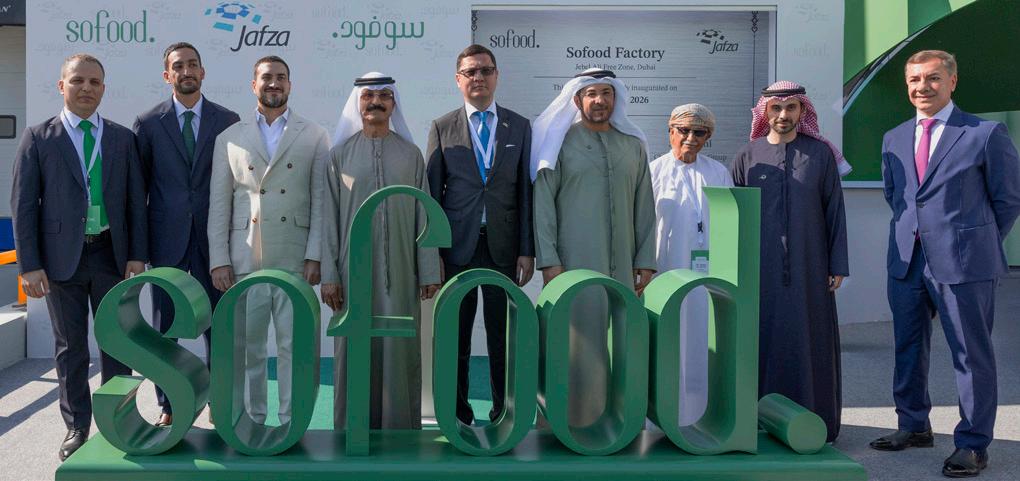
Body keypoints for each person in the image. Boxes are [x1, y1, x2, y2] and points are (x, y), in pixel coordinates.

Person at [869, 50, 1020, 478]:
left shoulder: (984, 133)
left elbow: (1008, 200)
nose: (923, 87)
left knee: (971, 354)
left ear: (952, 81)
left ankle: (973, 444)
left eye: (933, 78)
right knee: (907, 347)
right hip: (907, 261)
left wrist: (975, 242)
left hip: (965, 263)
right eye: (915, 79)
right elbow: (898, 197)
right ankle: (913, 424)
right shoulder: (894, 136)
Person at [11, 53, 147, 461]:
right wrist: (29, 264)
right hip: (60, 261)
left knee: (117, 344)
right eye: (78, 81)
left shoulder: (122, 138)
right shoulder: (39, 138)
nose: (86, 88)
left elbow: (135, 203)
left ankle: (119, 421)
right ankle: (76, 426)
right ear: (62, 86)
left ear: (103, 88)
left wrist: (137, 255)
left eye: (94, 82)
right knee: (70, 348)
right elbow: (24, 206)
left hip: (111, 254)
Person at [207, 55, 329, 425]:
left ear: (290, 84)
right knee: (249, 348)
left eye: (280, 77)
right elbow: (220, 203)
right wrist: (219, 258)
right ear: (253, 85)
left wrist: (315, 254)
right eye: (266, 77)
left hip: (295, 257)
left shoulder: (314, 135)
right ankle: (253, 421)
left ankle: (292, 421)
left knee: (294, 347)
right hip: (246, 257)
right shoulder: (229, 137)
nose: (273, 83)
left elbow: (321, 200)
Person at [531, 68, 656, 426]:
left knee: (621, 342)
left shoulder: (632, 145)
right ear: (577, 100)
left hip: (623, 264)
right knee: (576, 341)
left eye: (606, 93)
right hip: (574, 263)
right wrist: (549, 260)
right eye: (591, 94)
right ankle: (569, 423)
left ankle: (618, 423)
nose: (600, 101)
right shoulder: (559, 143)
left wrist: (645, 259)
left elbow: (645, 206)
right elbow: (543, 204)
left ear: (616, 98)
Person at [730, 80, 849, 442]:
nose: (783, 115)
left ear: (802, 111)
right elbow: (734, 217)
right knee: (762, 338)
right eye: (776, 108)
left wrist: (837, 264)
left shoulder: (820, 154)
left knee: (809, 338)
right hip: (759, 270)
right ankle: (758, 419)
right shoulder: (747, 156)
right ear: (764, 112)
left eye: (791, 108)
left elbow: (834, 211)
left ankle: (817, 419)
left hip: (811, 266)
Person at [322, 72, 442, 429]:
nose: (376, 102)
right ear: (357, 103)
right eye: (368, 96)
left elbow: (424, 215)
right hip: (351, 274)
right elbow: (328, 219)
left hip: (402, 271)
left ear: (393, 104)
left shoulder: (411, 155)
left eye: (384, 96)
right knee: (354, 348)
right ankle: (352, 428)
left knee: (398, 349)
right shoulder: (339, 156)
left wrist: (428, 270)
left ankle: (399, 428)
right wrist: (330, 275)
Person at [425, 44, 534, 425]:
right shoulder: (442, 127)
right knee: (456, 335)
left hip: (503, 247)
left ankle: (503, 412)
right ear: (458, 80)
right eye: (470, 72)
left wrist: (526, 249)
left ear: (496, 76)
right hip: (457, 249)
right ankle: (459, 414)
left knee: (502, 337)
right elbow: (432, 196)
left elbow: (525, 193)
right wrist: (434, 254)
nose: (478, 78)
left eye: (485, 70)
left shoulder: (519, 126)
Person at [133, 42, 240, 427]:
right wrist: (140, 249)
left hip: (216, 242)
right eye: (179, 66)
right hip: (167, 242)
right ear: (168, 75)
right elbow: (138, 191)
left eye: (193, 64)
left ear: (203, 72)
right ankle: (169, 405)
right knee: (166, 330)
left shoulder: (228, 120)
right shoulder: (148, 123)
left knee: (220, 326)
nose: (187, 71)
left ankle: (220, 400)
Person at [649, 103, 733, 425]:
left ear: (707, 136)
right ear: (670, 132)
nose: (690, 138)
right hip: (664, 270)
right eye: (683, 130)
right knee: (668, 337)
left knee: (701, 337)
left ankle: (700, 415)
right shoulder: (654, 171)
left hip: (706, 274)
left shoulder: (718, 172)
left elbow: (728, 222)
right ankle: (663, 414)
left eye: (699, 132)